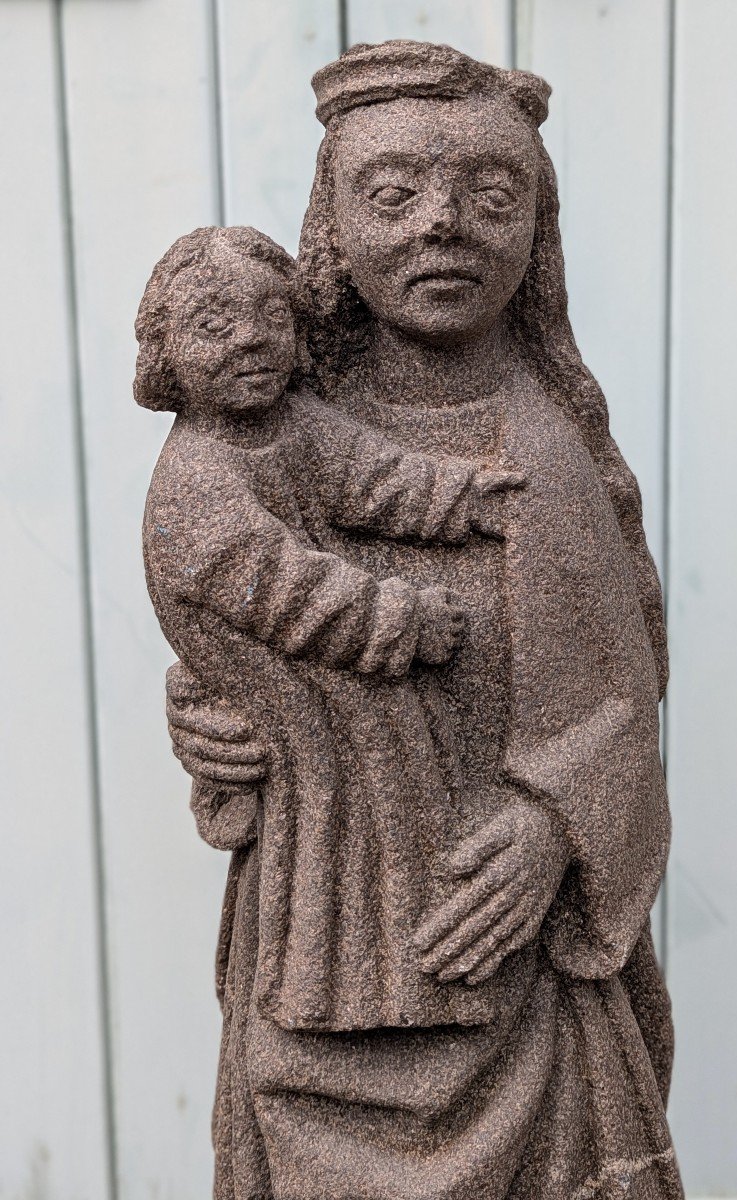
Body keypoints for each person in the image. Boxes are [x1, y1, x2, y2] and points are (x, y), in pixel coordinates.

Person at [163, 42, 682, 1200]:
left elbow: (619, 694)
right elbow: (220, 611)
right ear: (333, 230)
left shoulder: (541, 453)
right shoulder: (270, 434)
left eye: (491, 195)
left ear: (536, 230)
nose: (442, 223)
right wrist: (209, 717)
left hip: (508, 982)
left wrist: (556, 827)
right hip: (316, 954)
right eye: (392, 193)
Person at [137, 222, 528, 1033]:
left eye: (270, 319)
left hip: (350, 711)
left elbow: (370, 476)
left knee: (396, 822)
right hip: (304, 715)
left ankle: (422, 984)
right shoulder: (195, 483)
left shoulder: (292, 423)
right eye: (214, 325)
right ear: (166, 353)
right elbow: (290, 589)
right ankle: (343, 1000)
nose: (249, 341)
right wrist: (402, 618)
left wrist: (459, 498)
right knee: (332, 847)